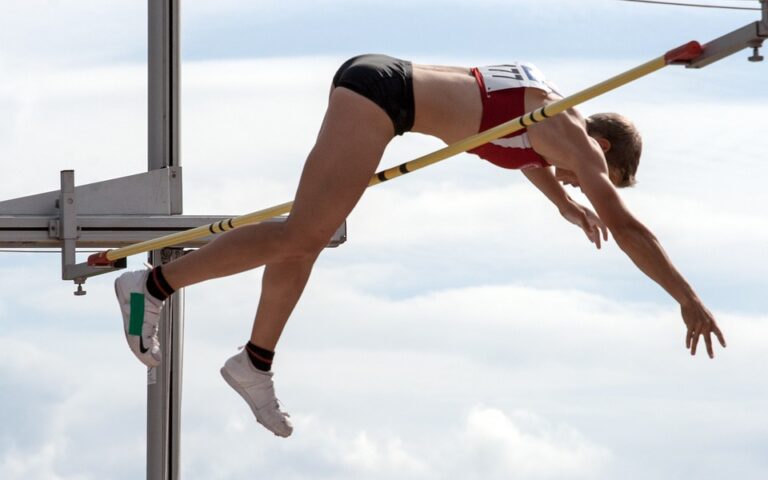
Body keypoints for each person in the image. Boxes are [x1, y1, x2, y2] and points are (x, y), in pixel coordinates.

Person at [114, 54, 726, 437]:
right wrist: (687, 296)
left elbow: (525, 151)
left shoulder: (547, 122)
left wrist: (563, 203)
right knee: (302, 231)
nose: (581, 181)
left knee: (308, 238)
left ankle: (254, 363)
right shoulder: (576, 139)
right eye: (594, 178)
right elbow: (629, 228)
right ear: (606, 151)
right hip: (383, 98)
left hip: (380, 83)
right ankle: (153, 286)